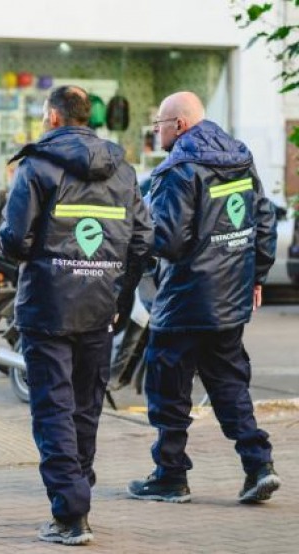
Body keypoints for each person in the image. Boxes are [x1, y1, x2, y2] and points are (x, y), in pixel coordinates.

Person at [0, 85, 152, 546]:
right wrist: (116, 288)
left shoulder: (37, 165)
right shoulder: (121, 169)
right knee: (85, 408)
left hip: (48, 305)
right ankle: (77, 496)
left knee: (53, 411)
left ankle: (70, 513)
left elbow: (13, 236)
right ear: (88, 116)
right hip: (100, 306)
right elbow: (143, 239)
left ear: (52, 116)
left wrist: (39, 258)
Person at [127, 91, 280, 505]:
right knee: (229, 384)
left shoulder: (178, 169)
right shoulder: (239, 157)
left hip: (184, 299)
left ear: (178, 125)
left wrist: (139, 234)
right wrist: (257, 274)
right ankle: (258, 466)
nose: (156, 131)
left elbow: (170, 241)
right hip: (230, 297)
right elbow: (264, 220)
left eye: (159, 123)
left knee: (168, 388)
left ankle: (171, 475)